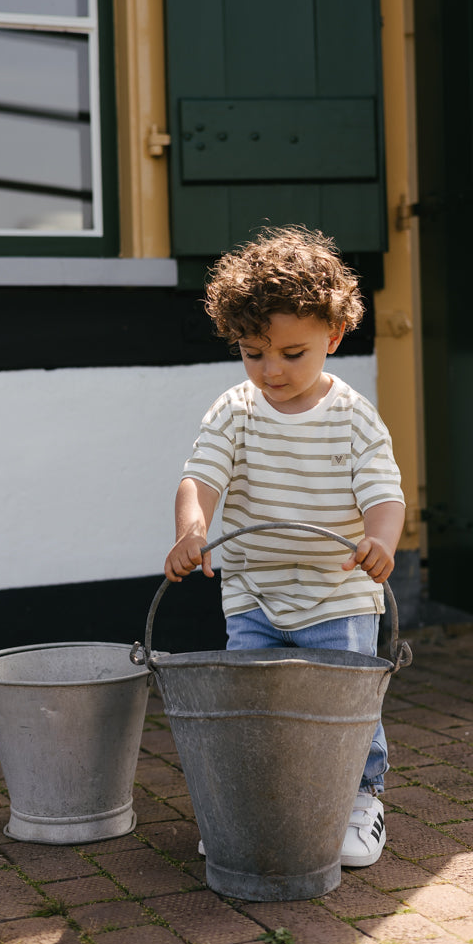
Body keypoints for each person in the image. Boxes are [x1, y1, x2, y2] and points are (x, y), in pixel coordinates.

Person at [164, 225, 405, 867]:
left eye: (292, 354)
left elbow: (384, 492)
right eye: (253, 352)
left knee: (343, 707)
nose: (271, 370)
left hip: (339, 595)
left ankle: (360, 798)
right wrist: (193, 528)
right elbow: (202, 475)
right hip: (255, 596)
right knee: (254, 708)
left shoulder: (354, 416)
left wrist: (380, 540)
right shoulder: (234, 410)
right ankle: (254, 807)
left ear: (333, 337)